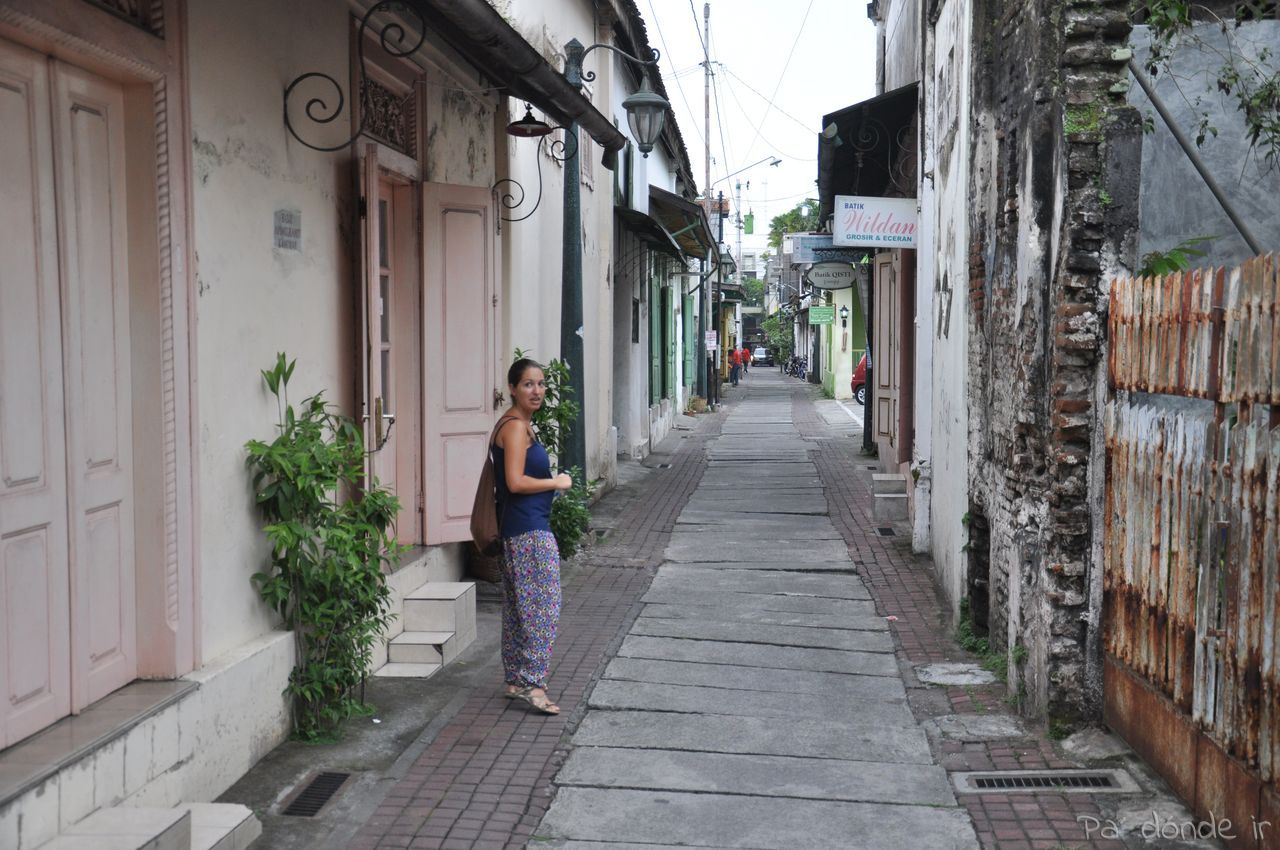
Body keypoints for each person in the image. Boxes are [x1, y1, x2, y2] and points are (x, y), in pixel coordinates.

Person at [493, 358, 574, 715]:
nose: (537, 391)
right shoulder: (514, 427)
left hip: (518, 529)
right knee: (543, 609)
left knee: (517, 610)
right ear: (513, 388)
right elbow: (515, 482)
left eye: (540, 384)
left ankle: (515, 680)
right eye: (528, 384)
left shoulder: (519, 424)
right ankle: (533, 684)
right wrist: (555, 482)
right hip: (529, 532)